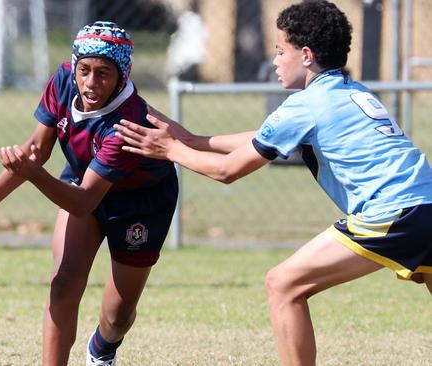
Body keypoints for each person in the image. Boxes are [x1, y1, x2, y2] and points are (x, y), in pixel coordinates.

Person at [114, 1, 432, 365]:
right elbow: (264, 137)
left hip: (392, 212)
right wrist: (190, 140)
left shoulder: (306, 105)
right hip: (426, 205)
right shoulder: (350, 92)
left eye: (281, 51)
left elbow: (228, 171)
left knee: (282, 285)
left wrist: (170, 149)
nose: (276, 60)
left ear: (307, 55)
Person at [0, 21, 178, 365]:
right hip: (81, 182)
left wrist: (33, 174)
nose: (91, 83)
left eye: (104, 73)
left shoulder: (126, 122)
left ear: (123, 74)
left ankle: (102, 349)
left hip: (140, 203)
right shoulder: (63, 80)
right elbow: (35, 150)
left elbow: (83, 200)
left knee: (117, 315)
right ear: (74, 66)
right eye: (85, 70)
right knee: (63, 284)